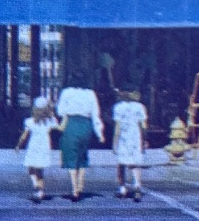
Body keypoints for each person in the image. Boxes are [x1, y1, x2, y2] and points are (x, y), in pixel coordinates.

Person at [55, 73, 104, 201]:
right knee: (82, 155)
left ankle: (74, 189)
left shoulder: (66, 92)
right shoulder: (91, 94)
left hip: (71, 124)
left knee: (71, 156)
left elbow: (60, 111)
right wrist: (100, 133)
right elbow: (95, 114)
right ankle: (80, 184)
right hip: (86, 125)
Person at [15, 95, 59, 203]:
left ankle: (36, 185)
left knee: (31, 168)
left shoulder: (30, 121)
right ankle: (40, 191)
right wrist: (52, 113)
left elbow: (24, 135)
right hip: (44, 147)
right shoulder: (50, 120)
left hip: (33, 147)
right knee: (40, 171)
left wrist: (18, 145)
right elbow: (57, 126)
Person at [112, 87, 149, 201]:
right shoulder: (140, 107)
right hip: (136, 136)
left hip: (124, 136)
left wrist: (115, 142)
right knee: (135, 163)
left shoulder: (118, 107)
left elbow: (117, 127)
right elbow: (143, 126)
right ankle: (137, 185)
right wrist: (145, 139)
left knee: (121, 163)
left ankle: (122, 188)